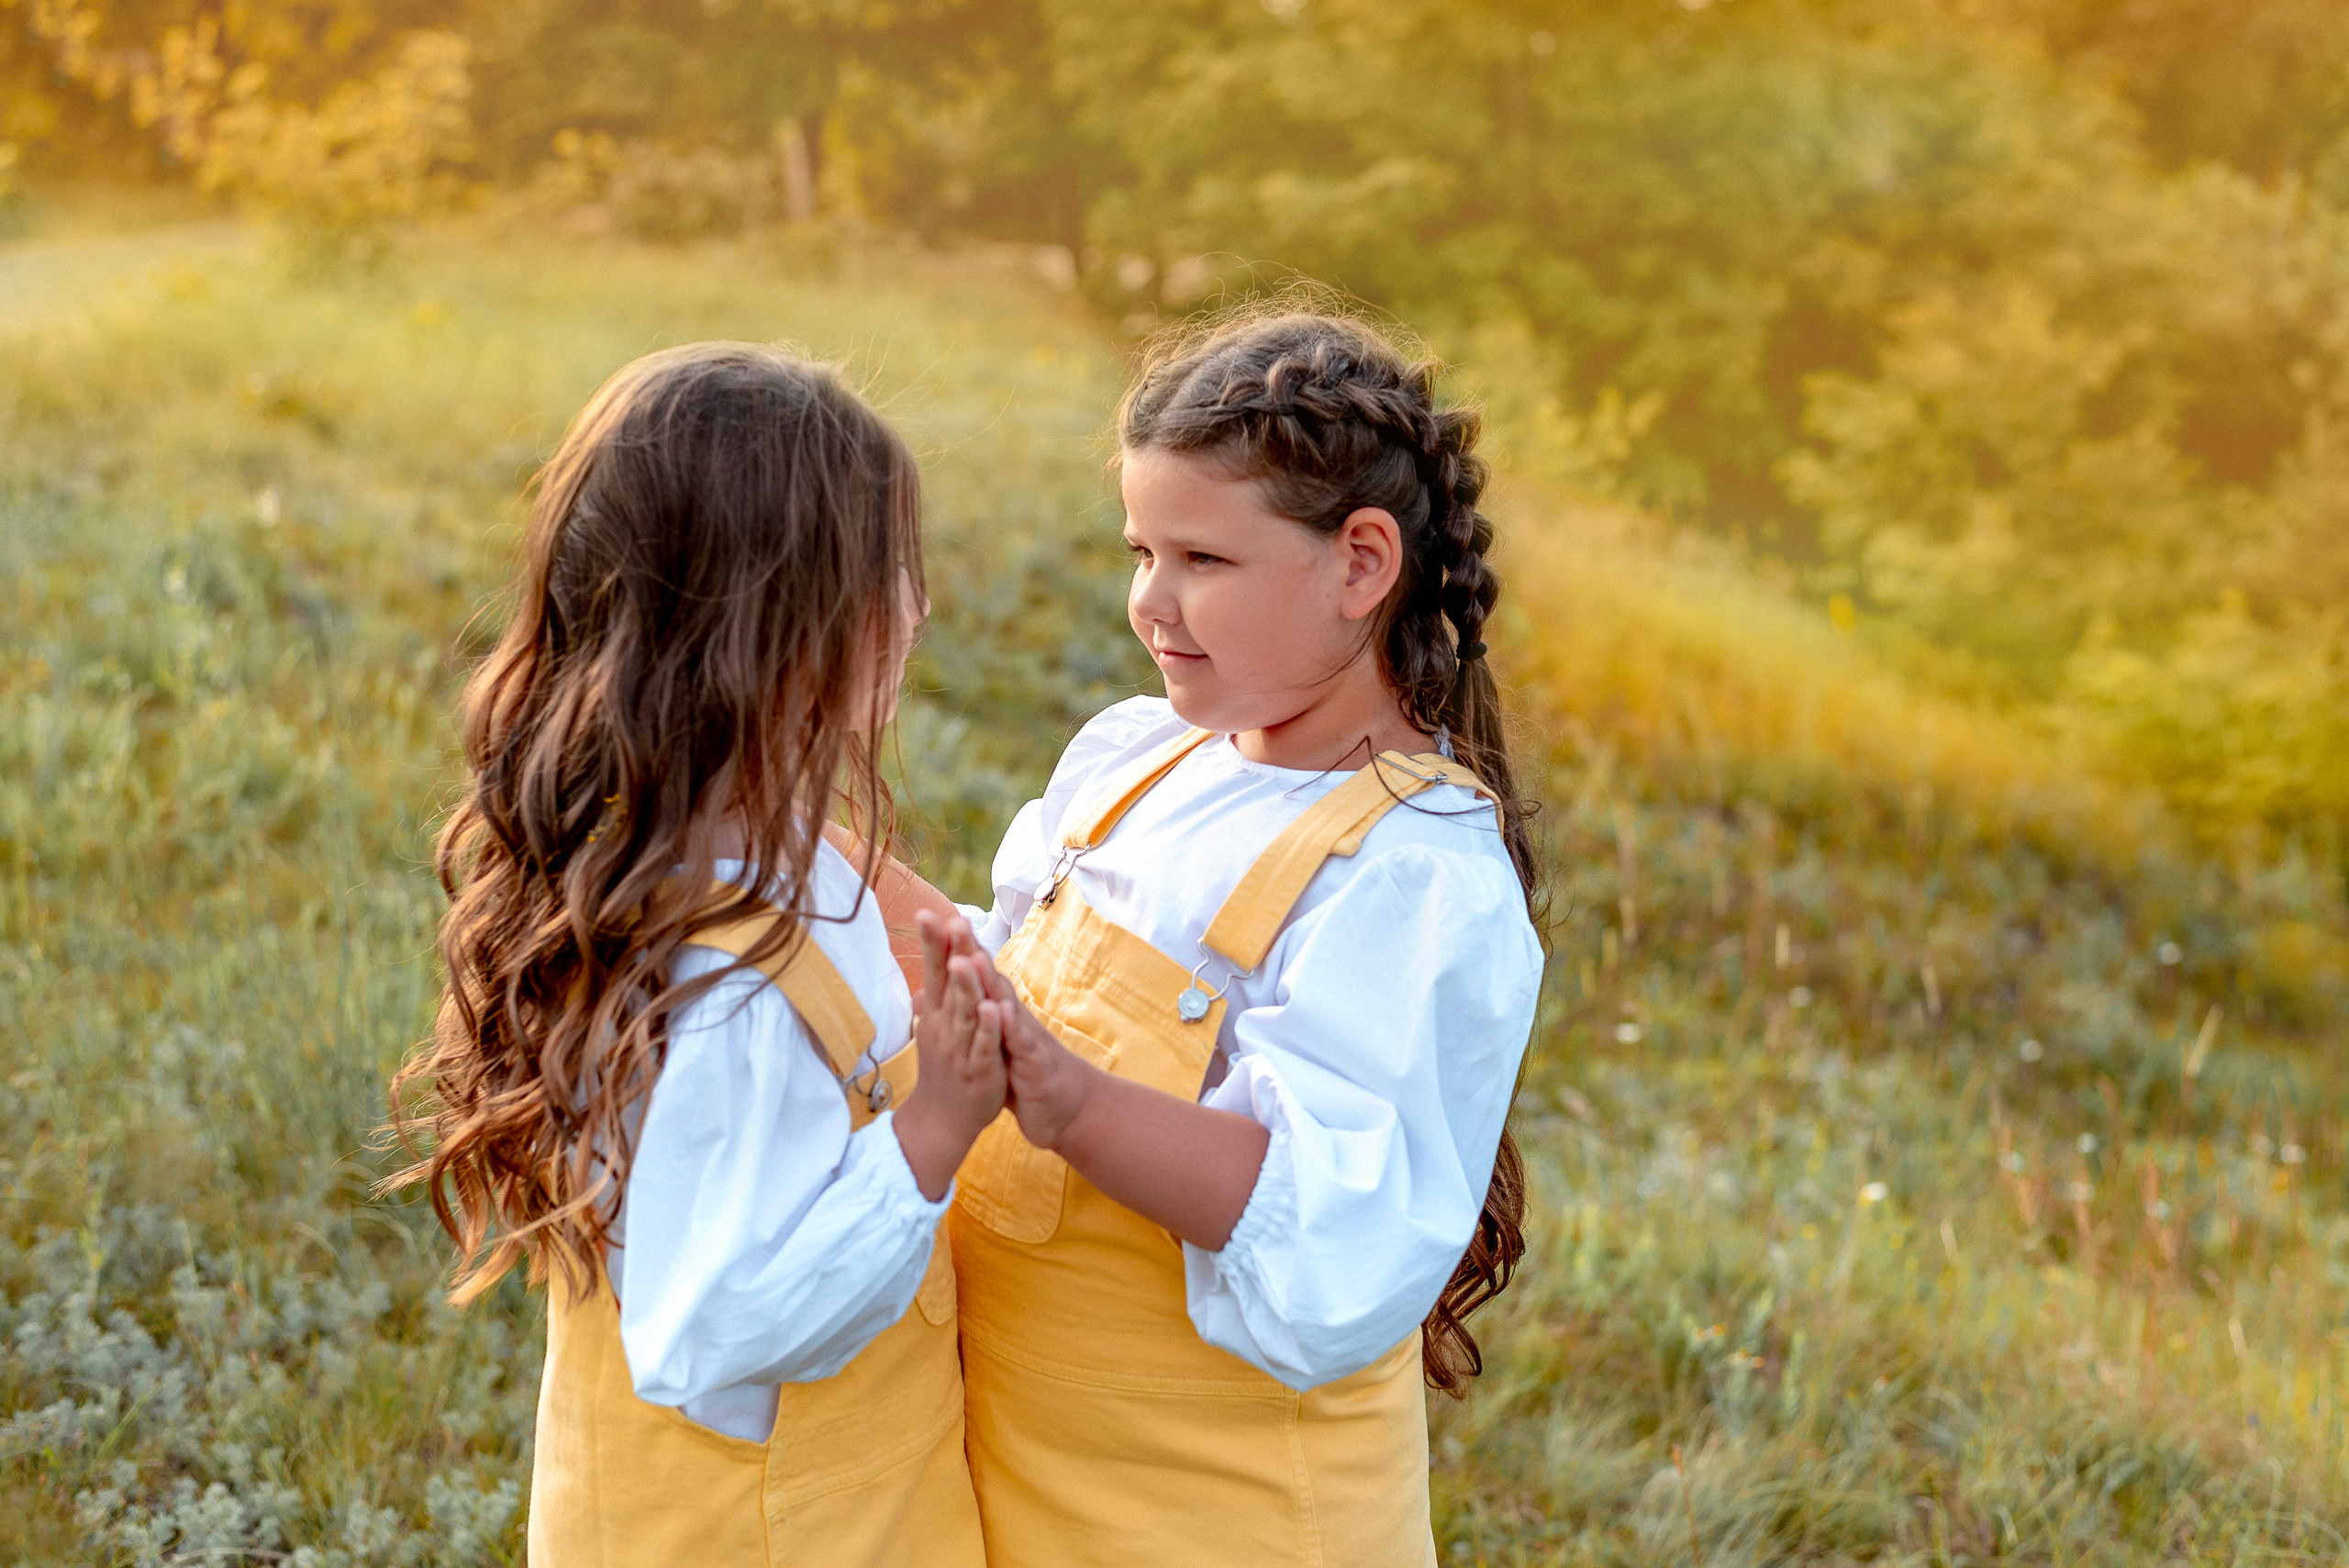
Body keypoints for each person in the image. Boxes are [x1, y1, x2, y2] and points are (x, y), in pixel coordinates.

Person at [894, 309, 1545, 1566]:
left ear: (1363, 564)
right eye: (1141, 546)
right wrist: (810, 856)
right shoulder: (1141, 761)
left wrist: (1070, 1100)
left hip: (1223, 1518)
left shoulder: (1409, 873)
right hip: (1041, 1491)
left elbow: (1327, 1229)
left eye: (1203, 556)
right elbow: (1011, 975)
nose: (1150, 598)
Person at [384, 342, 998, 1567]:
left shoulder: (727, 867)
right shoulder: (730, 986)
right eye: (890, 575)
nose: (919, 606)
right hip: (777, 1529)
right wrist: (933, 1132)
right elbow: (710, 1320)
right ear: (782, 632)